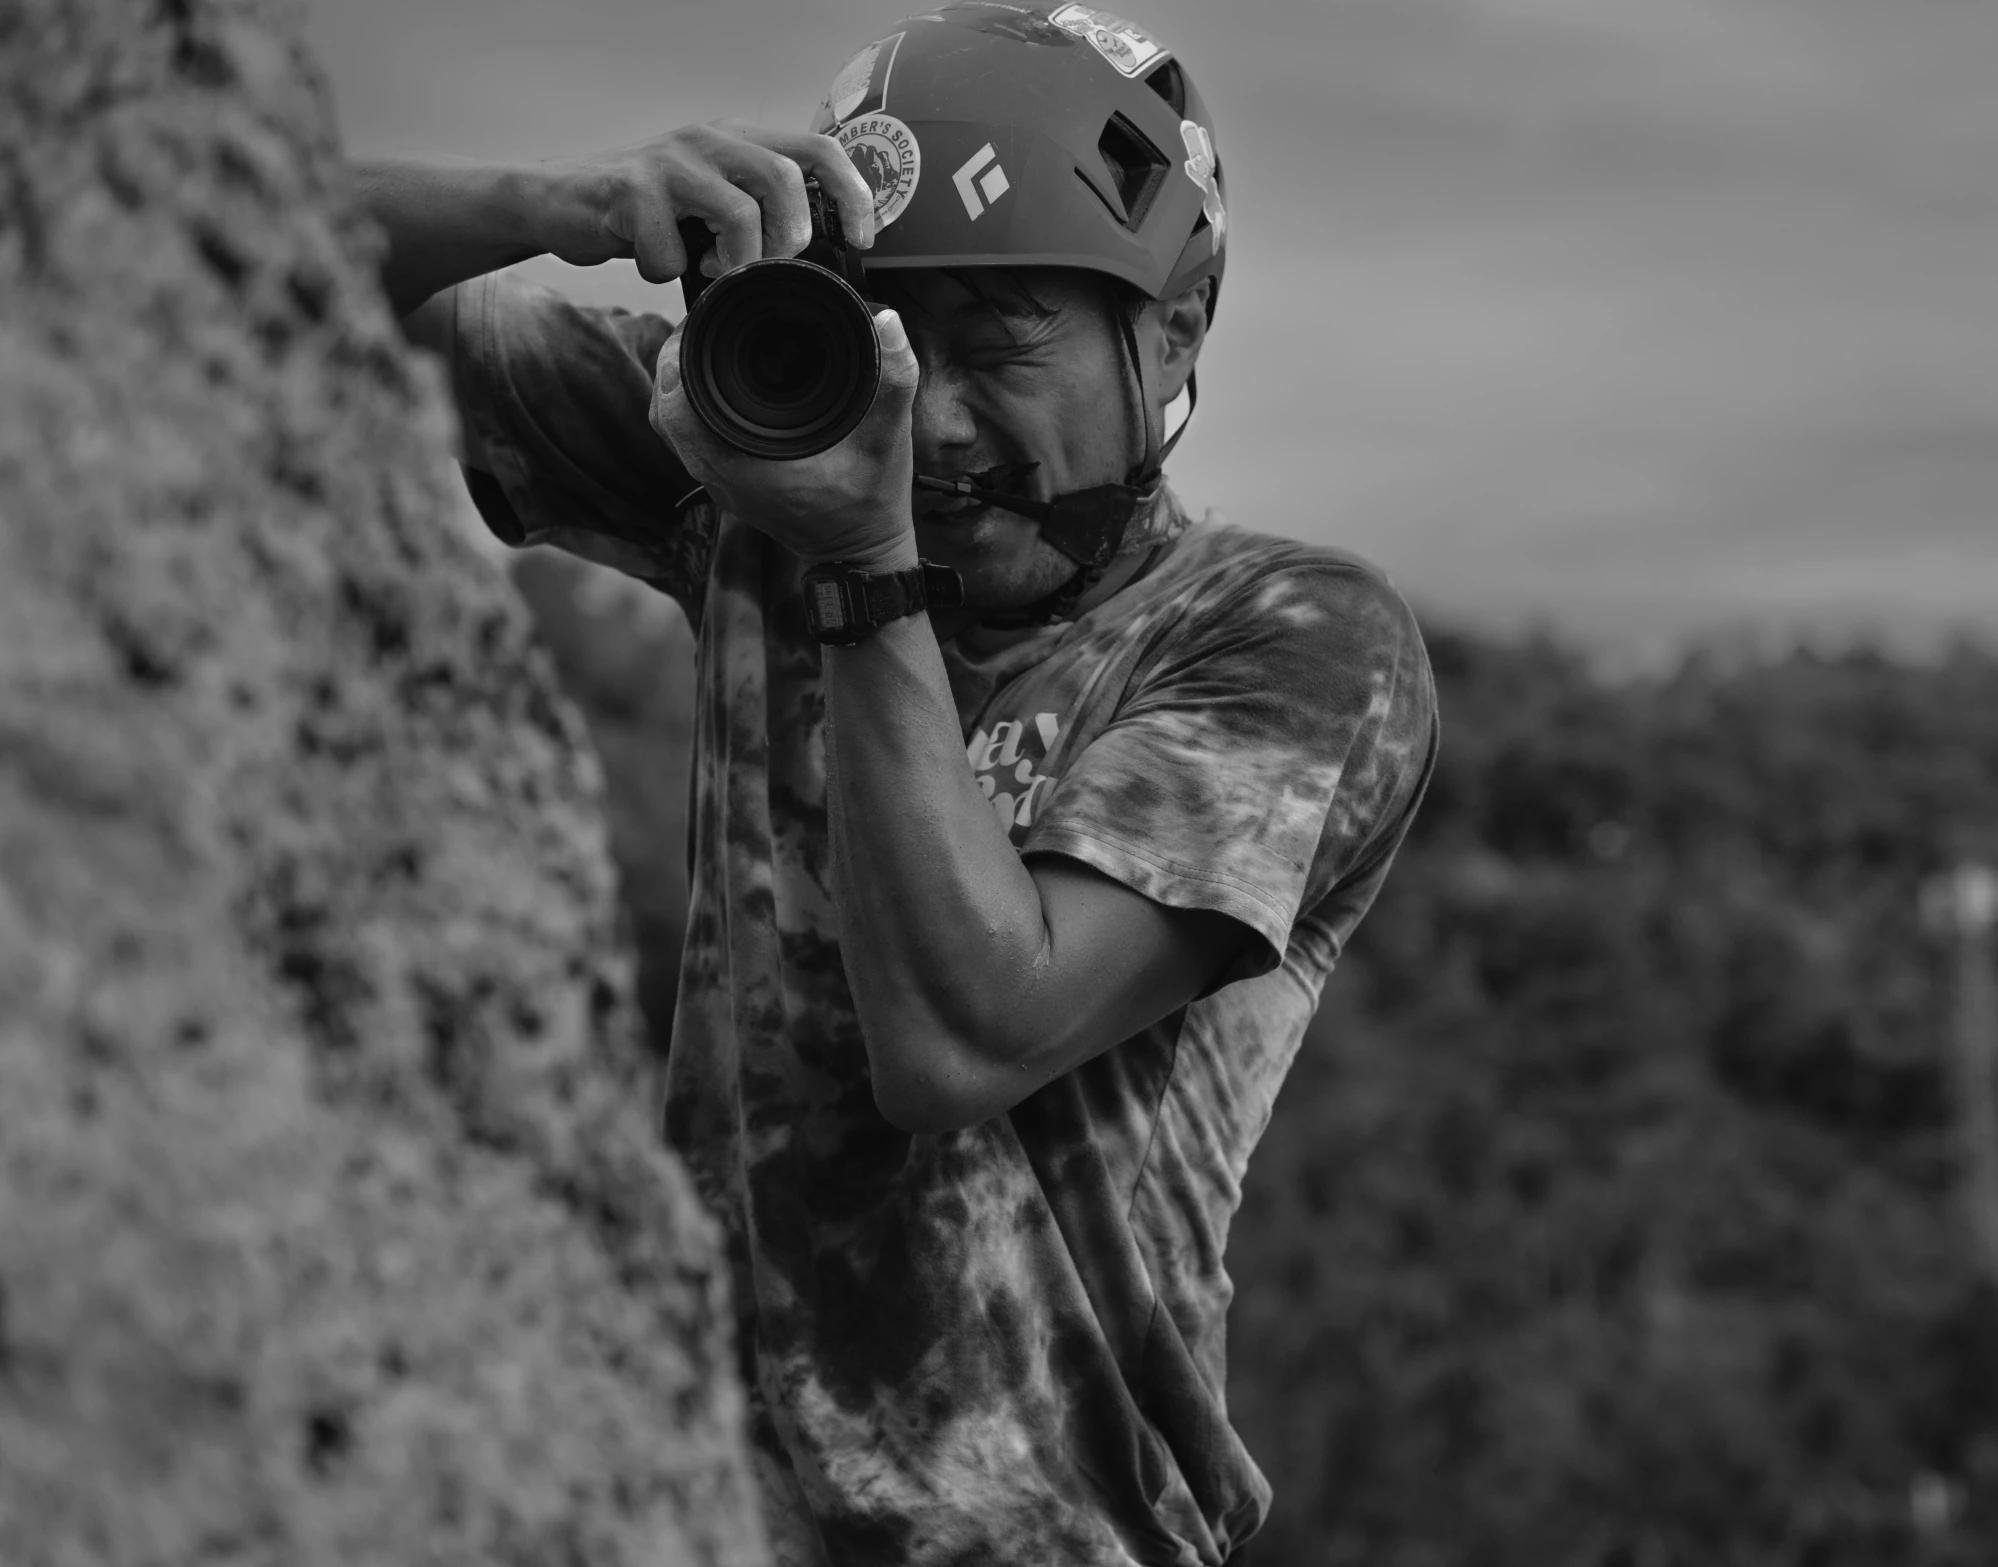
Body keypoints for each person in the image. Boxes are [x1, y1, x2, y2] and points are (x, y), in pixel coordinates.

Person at [359, 5, 1436, 1562]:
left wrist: (859, 567)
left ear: (1182, 324)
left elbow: (960, 1037)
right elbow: (239, 241)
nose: (928, 419)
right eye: (895, 336)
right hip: (689, 1518)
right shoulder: (754, 465)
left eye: (1000, 341)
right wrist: (558, 208)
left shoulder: (1289, 639)